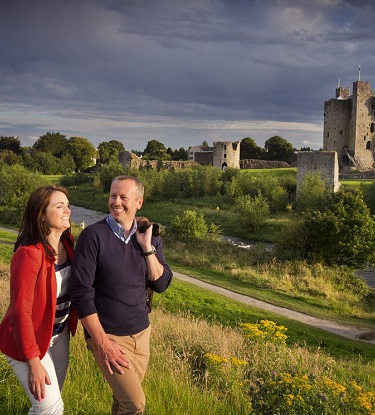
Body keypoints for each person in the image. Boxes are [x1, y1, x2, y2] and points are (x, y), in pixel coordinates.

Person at [69, 175, 173, 415]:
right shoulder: (93, 237)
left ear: (139, 202)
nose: (116, 202)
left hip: (141, 333)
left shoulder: (150, 235)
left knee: (122, 402)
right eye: (112, 195)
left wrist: (147, 248)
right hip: (109, 336)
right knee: (134, 404)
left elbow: (161, 284)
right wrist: (103, 343)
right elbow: (81, 295)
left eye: (123, 197)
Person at [0, 185, 78, 415]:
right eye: (59, 206)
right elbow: (20, 313)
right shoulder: (28, 254)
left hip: (58, 335)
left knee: (47, 406)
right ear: (41, 214)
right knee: (51, 409)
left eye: (68, 205)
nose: (67, 211)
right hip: (28, 342)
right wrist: (33, 362)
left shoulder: (68, 244)